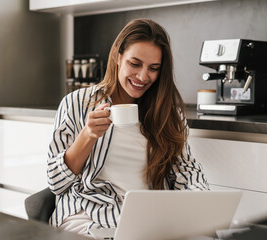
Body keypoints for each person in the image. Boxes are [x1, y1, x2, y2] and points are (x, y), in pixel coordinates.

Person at [47, 18, 209, 237]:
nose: (143, 77)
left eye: (154, 68)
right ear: (117, 56)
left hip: (147, 219)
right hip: (89, 214)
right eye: (135, 64)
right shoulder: (77, 103)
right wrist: (88, 135)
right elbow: (55, 181)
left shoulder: (168, 114)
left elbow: (187, 171)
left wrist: (202, 203)